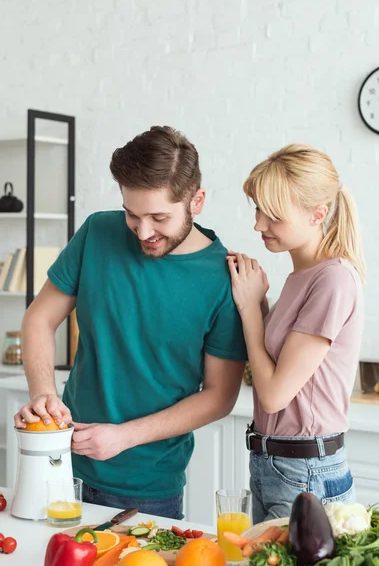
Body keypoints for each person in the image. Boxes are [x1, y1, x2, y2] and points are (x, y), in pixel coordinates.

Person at [15, 125, 247, 519]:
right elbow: (39, 318)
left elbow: (220, 396)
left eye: (159, 217)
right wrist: (43, 393)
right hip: (58, 463)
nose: (144, 231)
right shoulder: (98, 232)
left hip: (146, 487)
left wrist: (123, 437)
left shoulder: (226, 280)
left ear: (197, 201)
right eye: (132, 215)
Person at [227, 144, 365, 523]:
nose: (259, 225)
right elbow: (276, 360)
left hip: (306, 472)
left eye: (273, 215)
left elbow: (273, 395)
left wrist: (250, 308)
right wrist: (260, 306)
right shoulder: (299, 278)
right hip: (278, 464)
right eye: (258, 209)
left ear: (317, 214)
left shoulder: (333, 279)